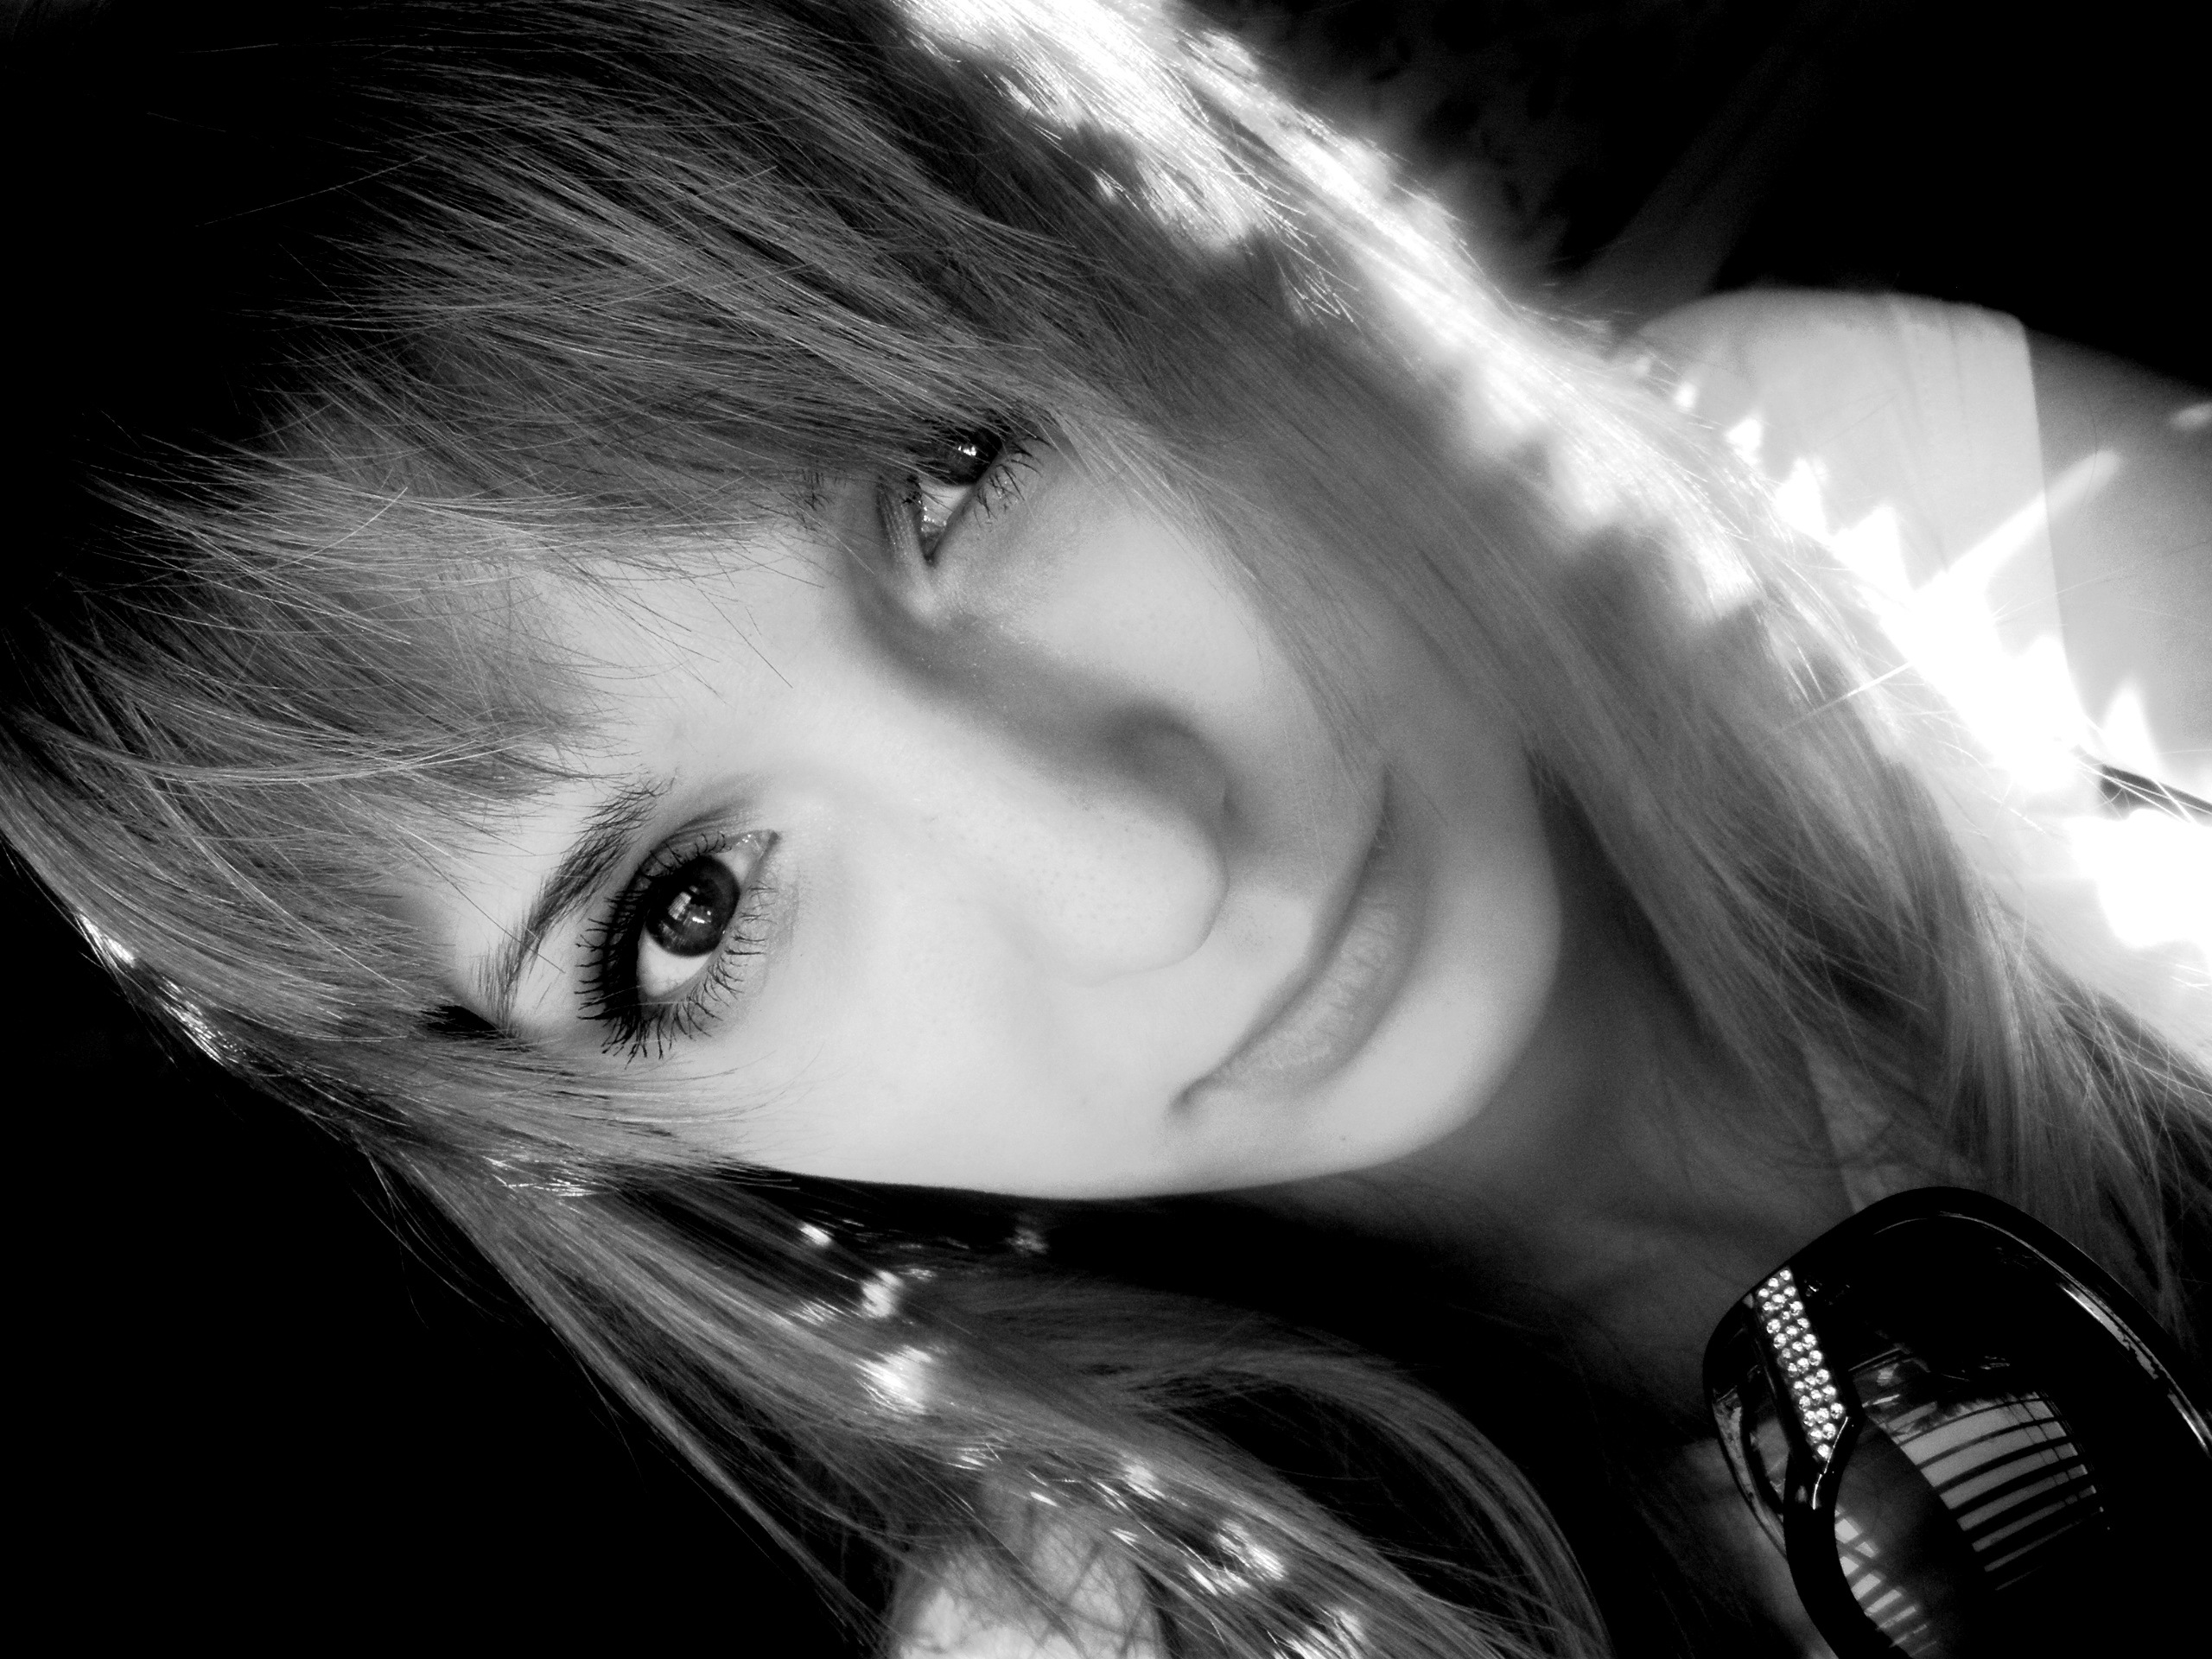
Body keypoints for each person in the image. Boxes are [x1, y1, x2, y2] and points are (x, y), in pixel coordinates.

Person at [6, 2, 2206, 1654]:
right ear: (577, 1132)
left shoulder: (1888, 511)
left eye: (955, 478)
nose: (1143, 872)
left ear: (1136, 225)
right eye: (688, 906)